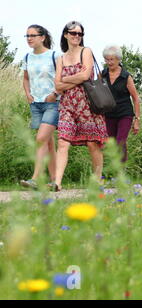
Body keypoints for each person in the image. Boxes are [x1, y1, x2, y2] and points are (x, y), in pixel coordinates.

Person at [53, 21, 108, 191]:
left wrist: (66, 79)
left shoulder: (86, 51)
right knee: (62, 142)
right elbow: (57, 87)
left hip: (87, 104)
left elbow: (85, 75)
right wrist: (74, 80)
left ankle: (98, 179)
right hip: (67, 105)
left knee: (92, 143)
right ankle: (57, 182)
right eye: (73, 33)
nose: (77, 36)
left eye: (80, 34)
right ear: (65, 35)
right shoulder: (60, 58)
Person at [20, 25, 61, 189]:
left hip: (53, 103)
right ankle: (54, 181)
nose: (29, 38)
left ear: (42, 37)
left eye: (33, 35)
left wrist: (55, 93)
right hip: (35, 104)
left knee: (40, 139)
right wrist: (28, 94)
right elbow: (26, 78)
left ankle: (35, 178)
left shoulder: (55, 55)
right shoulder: (27, 57)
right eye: (27, 36)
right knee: (48, 143)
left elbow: (62, 78)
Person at [102, 45, 140, 162]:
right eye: (107, 59)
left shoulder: (126, 76)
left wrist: (137, 119)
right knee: (111, 144)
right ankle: (113, 172)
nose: (109, 62)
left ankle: (120, 172)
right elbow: (98, 93)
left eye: (111, 59)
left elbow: (135, 98)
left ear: (118, 59)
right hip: (109, 114)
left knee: (120, 141)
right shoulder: (102, 74)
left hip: (124, 114)